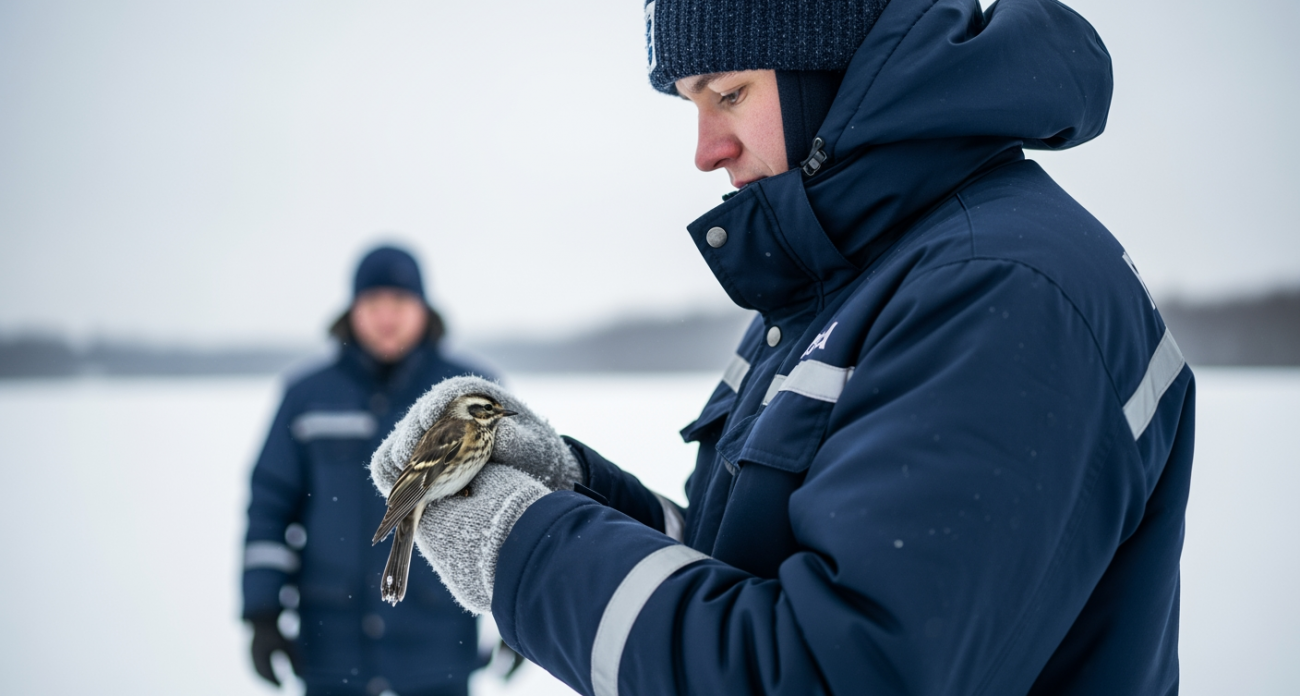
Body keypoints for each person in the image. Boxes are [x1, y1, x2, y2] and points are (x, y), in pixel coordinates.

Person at [370, 1, 1195, 694]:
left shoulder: (997, 291)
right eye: (692, 106)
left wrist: (524, 545)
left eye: (728, 93)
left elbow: (830, 673)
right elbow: (742, 568)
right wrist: (570, 489)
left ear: (839, 65)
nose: (705, 151)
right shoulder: (846, 283)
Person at [243, 246, 493, 696]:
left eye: (399, 302)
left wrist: (520, 610)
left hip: (437, 643)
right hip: (331, 644)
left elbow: (505, 512)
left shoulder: (470, 394)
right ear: (353, 310)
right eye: (373, 303)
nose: (386, 317)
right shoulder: (307, 396)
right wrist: (262, 611)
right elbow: (269, 507)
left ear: (423, 308)